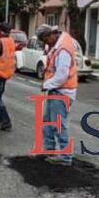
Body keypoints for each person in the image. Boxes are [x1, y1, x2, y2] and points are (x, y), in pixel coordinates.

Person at [37, 25, 78, 166]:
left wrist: (46, 85)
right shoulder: (57, 45)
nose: (46, 43)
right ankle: (49, 150)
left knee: (59, 125)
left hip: (62, 91)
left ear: (51, 35)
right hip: (56, 90)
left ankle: (66, 157)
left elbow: (62, 75)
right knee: (48, 121)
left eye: (46, 40)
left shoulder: (63, 49)